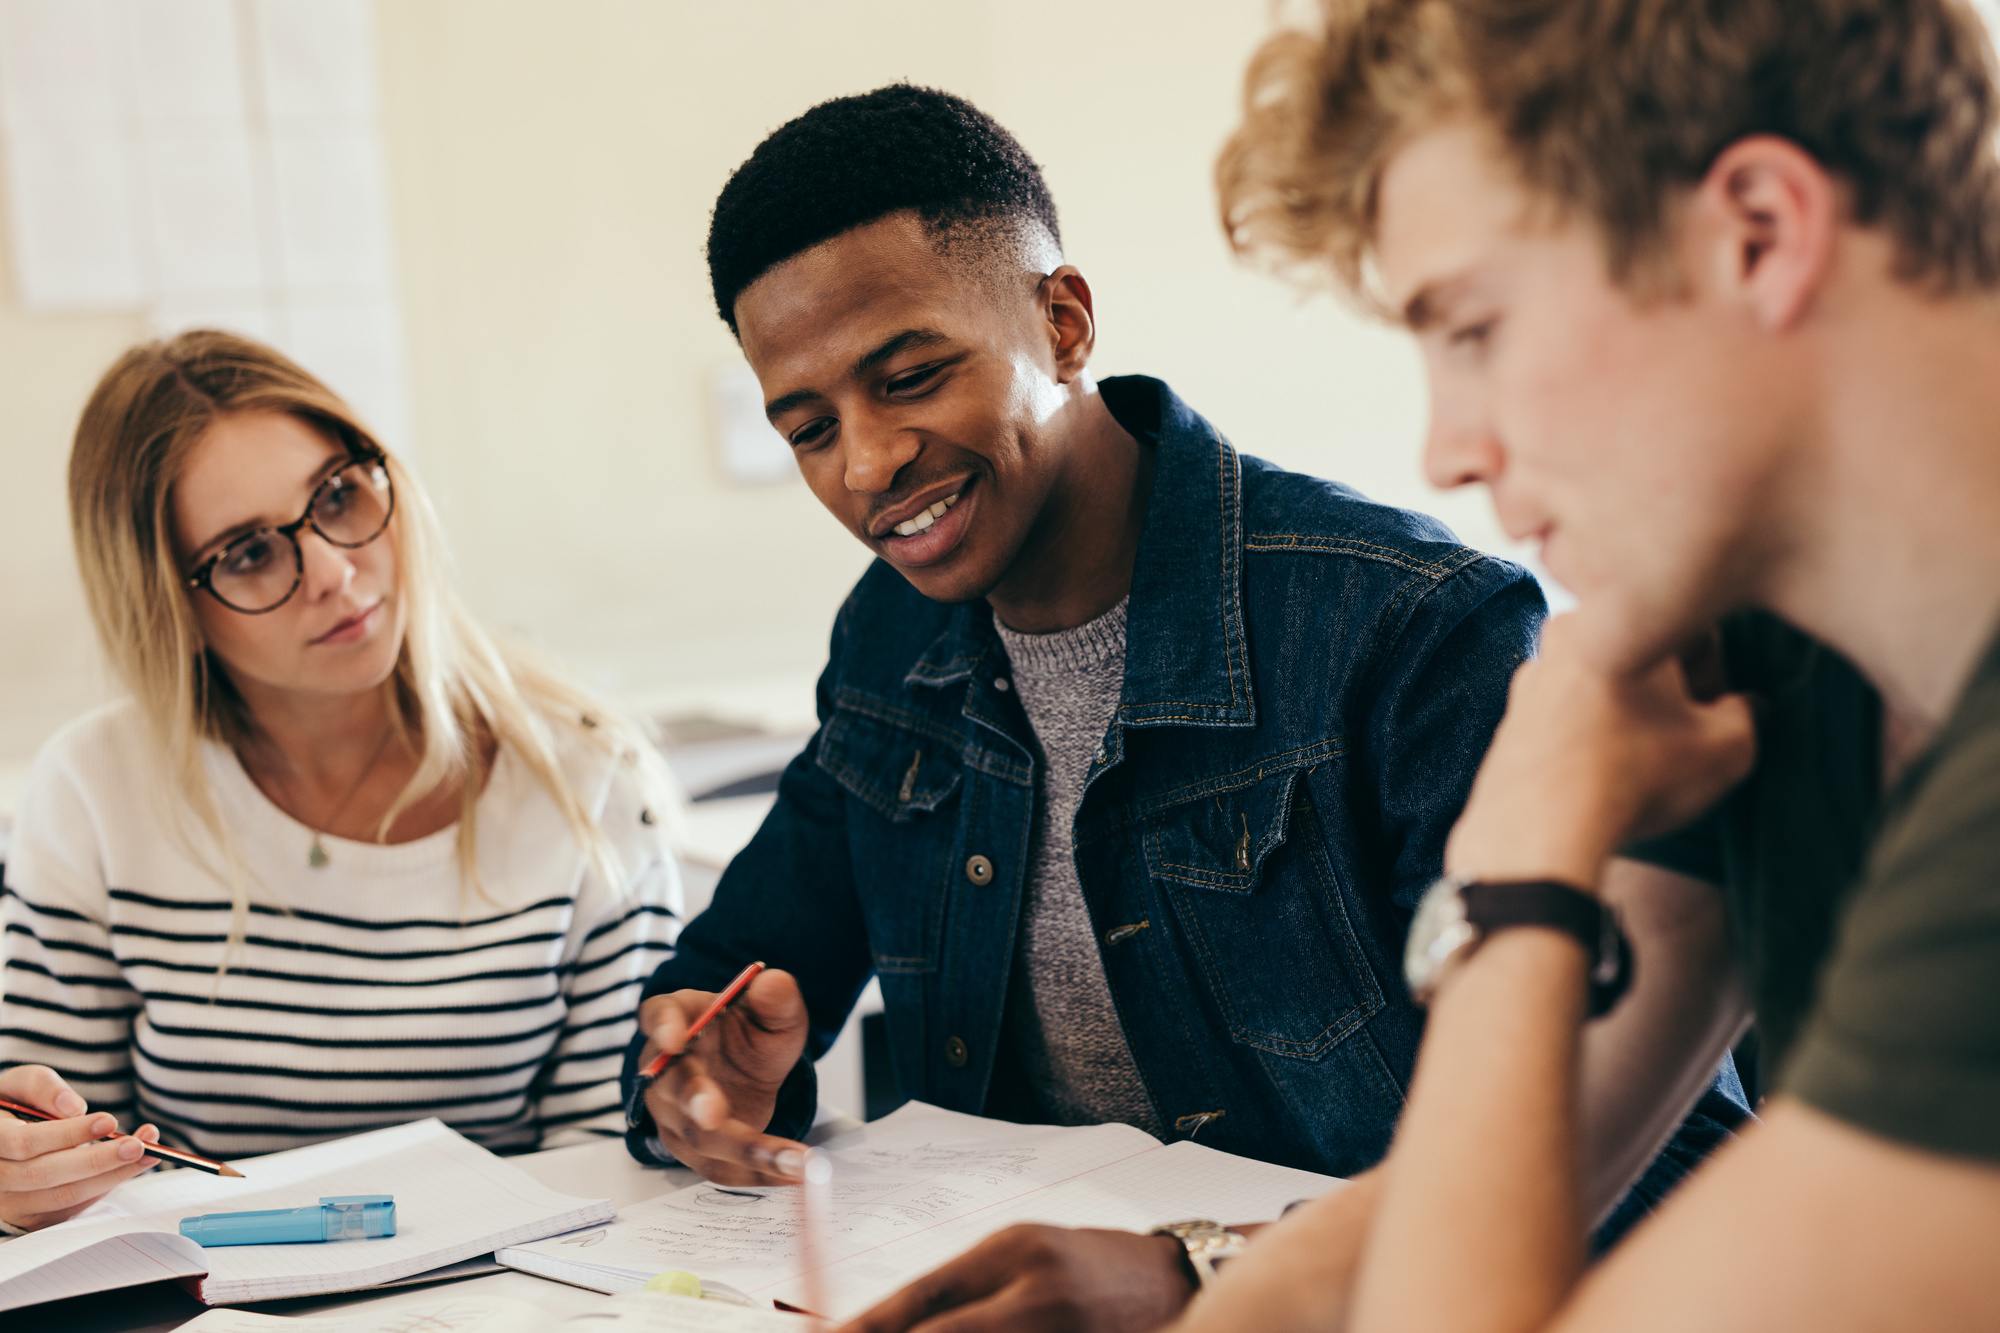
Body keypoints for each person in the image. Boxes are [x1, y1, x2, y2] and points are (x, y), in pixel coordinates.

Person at [625, 85, 1746, 1331]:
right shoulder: (889, 641)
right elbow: (718, 986)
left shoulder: (1413, 627)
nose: (865, 464)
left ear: (1061, 320)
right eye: (806, 427)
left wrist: (1196, 1268)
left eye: (910, 377)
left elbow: (1656, 1163)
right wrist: (704, 1083)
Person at [1175, 1, 2000, 1329]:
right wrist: (1214, 1292)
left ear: (1760, 235)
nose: (1446, 450)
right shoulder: (1766, 646)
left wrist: (1523, 867)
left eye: (1473, 330)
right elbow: (1448, 1207)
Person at [0, 330, 679, 1234]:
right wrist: (25, 1180)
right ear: (172, 605)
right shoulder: (95, 791)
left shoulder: (585, 775)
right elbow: (54, 1170)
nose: (333, 570)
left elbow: (609, 1169)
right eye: (248, 553)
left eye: (337, 496)